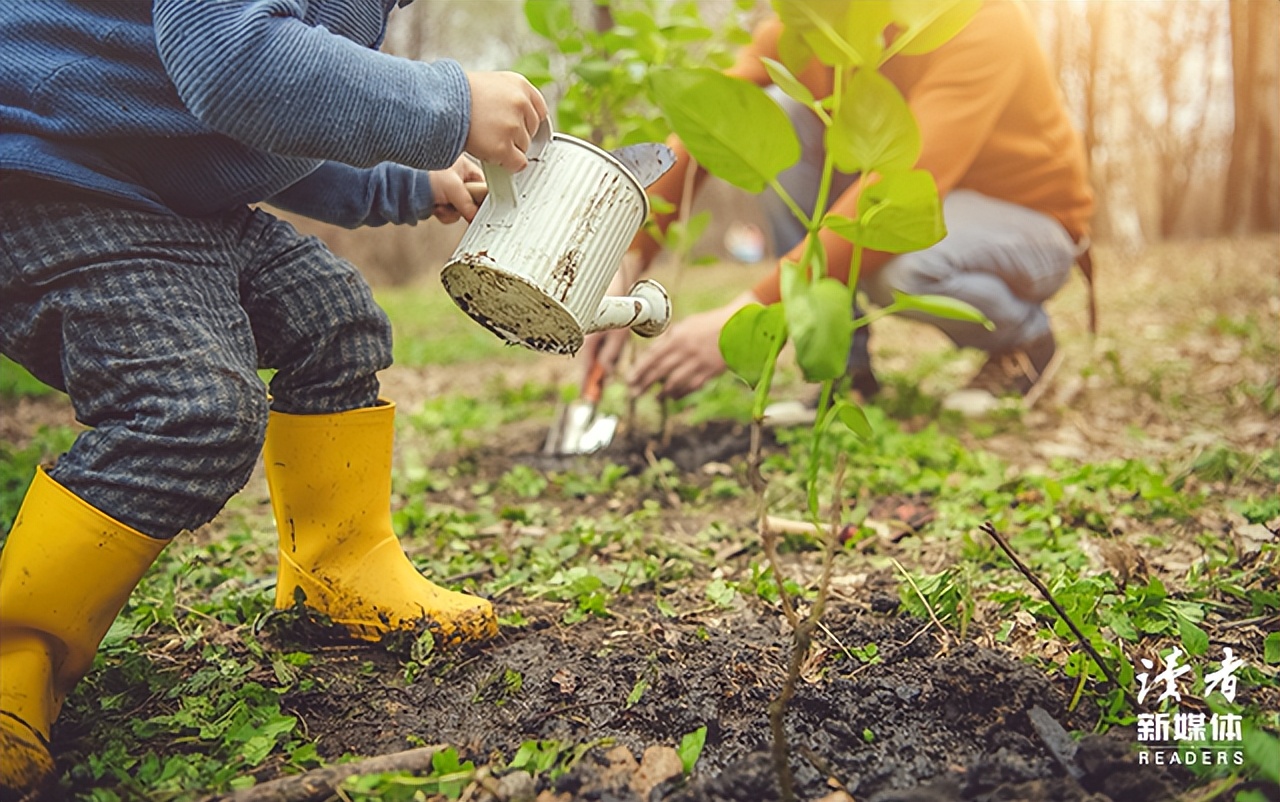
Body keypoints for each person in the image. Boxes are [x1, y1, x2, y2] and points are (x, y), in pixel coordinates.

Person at [0, 1, 547, 794]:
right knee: (193, 408)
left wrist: (407, 179)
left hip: (171, 193)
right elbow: (232, 62)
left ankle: (338, 571)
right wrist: (451, 103)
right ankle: (17, 654)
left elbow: (266, 118)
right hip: (58, 175)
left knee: (336, 324)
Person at [584, 0, 1093, 411]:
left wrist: (751, 314)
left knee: (904, 266)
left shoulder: (980, 19)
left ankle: (1027, 342)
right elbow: (709, 120)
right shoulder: (815, 20)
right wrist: (627, 255)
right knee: (777, 115)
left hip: (1033, 223)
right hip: (932, 200)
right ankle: (841, 373)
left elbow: (895, 192)